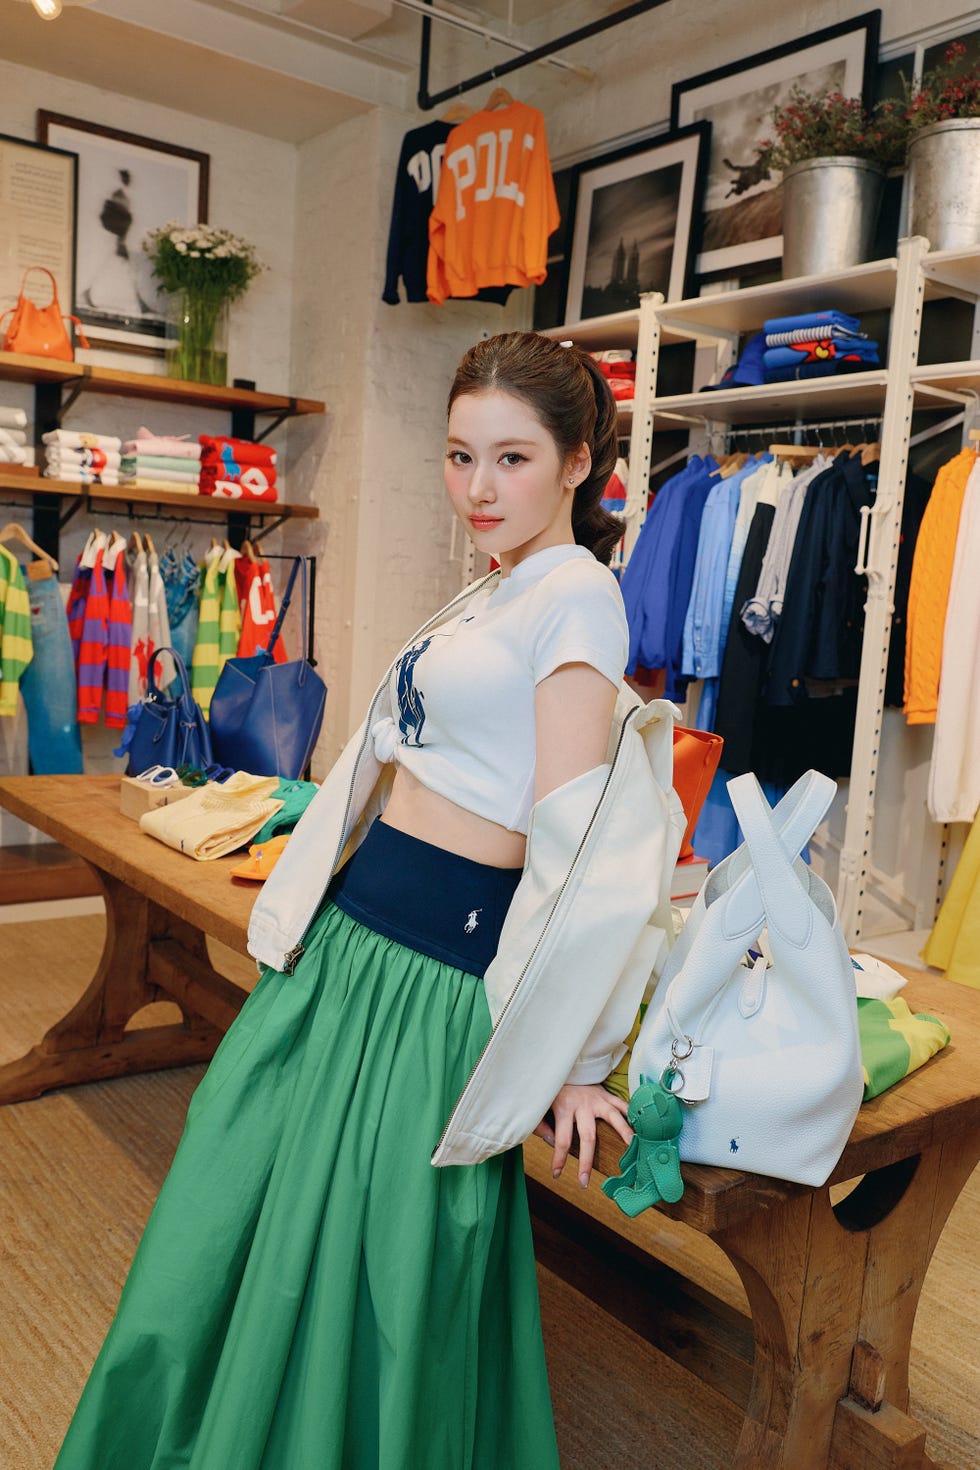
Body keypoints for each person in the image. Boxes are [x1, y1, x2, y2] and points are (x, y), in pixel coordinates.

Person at [54, 331, 682, 1470]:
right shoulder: (495, 591)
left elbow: (579, 843)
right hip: (354, 946)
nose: (477, 490)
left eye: (510, 459)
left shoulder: (577, 599)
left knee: (373, 1275)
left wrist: (576, 1057)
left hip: (432, 981)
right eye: (457, 457)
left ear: (577, 464)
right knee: (234, 1209)